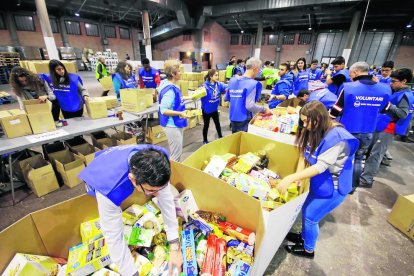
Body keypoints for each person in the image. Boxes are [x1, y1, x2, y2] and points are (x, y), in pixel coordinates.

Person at [78, 145, 183, 276]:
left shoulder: (159, 158)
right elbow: (114, 238)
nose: (157, 194)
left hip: (120, 155)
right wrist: (131, 273)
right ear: (133, 179)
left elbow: (166, 200)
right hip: (101, 170)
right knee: (110, 223)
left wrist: (174, 247)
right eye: (151, 191)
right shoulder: (110, 190)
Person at [277, 101, 359, 259]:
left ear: (319, 118)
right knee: (305, 208)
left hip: (334, 187)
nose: (305, 125)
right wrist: (299, 175)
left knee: (311, 217)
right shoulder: (314, 130)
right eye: (303, 121)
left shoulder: (338, 138)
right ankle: (303, 237)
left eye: (308, 121)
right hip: (320, 182)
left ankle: (309, 250)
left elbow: (320, 166)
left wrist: (291, 178)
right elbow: (303, 154)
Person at [330, 62, 391, 193]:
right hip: (369, 130)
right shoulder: (384, 89)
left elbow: (336, 108)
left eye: (351, 73)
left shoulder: (348, 87)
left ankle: (340, 185)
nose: (350, 76)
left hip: (348, 130)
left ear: (356, 72)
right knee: (359, 159)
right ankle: (352, 187)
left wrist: (330, 118)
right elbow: (385, 109)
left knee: (344, 158)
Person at [360, 68, 414, 187]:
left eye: (394, 81)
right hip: (382, 125)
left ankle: (366, 180)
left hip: (389, 128)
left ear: (404, 81)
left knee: (376, 154)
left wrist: (389, 105)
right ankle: (366, 174)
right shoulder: (398, 92)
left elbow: (402, 114)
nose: (391, 84)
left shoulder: (405, 96)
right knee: (371, 151)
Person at [225, 57, 270, 133]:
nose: (259, 72)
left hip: (233, 116)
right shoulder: (253, 84)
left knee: (235, 140)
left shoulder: (233, 80)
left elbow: (226, 98)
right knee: (243, 142)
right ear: (255, 69)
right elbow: (250, 106)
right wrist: (264, 109)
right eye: (259, 70)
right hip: (244, 118)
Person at [158, 60, 191, 161]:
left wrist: (191, 97)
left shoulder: (171, 85)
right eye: (179, 71)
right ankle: (172, 175)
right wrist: (181, 113)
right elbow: (163, 110)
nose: (181, 73)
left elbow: (177, 99)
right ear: (173, 73)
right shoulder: (170, 90)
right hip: (171, 125)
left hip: (175, 123)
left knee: (176, 151)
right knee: (176, 155)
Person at [201, 69, 227, 144]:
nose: (217, 77)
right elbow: (196, 95)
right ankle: (205, 140)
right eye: (216, 75)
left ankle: (220, 136)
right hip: (206, 110)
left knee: (217, 124)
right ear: (210, 76)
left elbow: (227, 87)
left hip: (214, 109)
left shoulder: (218, 84)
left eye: (218, 75)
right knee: (206, 126)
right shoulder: (204, 86)